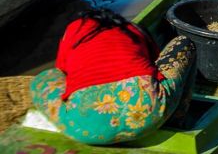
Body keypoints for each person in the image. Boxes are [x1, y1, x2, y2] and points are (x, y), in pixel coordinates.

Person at [30, 8, 196, 145]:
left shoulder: (75, 28)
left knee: (45, 76)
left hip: (82, 127)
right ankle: (177, 119)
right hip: (149, 116)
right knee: (183, 42)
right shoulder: (132, 29)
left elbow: (62, 71)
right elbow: (157, 65)